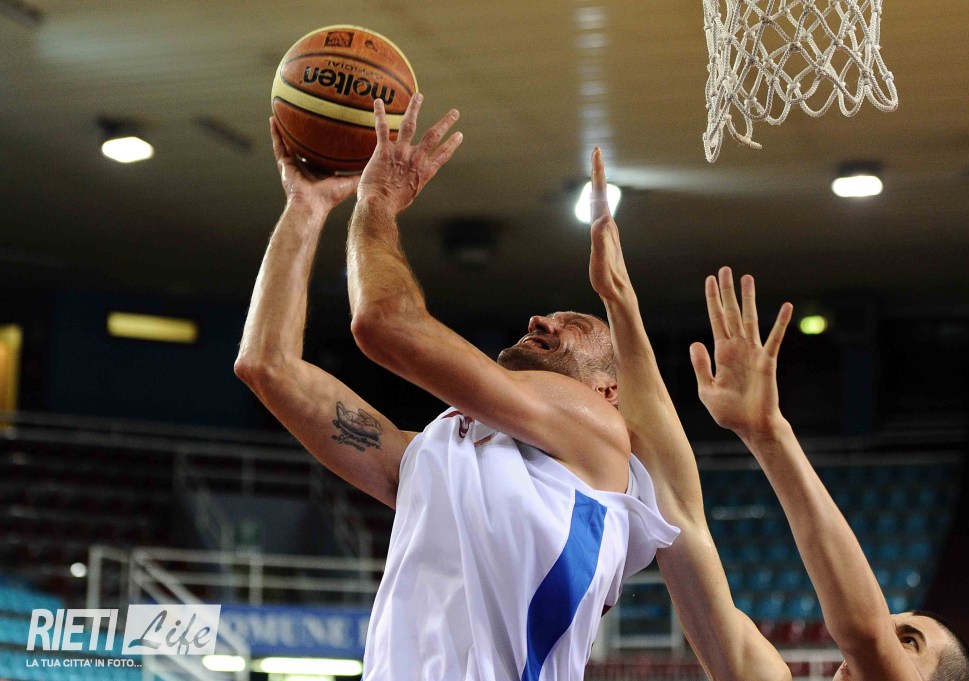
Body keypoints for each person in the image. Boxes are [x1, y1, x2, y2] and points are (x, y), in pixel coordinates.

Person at [234, 94, 678, 681]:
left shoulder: (597, 435)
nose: (541, 321)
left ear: (608, 389)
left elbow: (383, 322)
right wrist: (306, 205)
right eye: (545, 316)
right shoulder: (438, 453)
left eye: (575, 324)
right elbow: (266, 365)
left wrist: (378, 201)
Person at [586, 150, 969, 681]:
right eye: (897, 626)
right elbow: (677, 512)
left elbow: (864, 631)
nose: (885, 635)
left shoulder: (863, 636)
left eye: (908, 641)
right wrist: (620, 302)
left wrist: (772, 435)